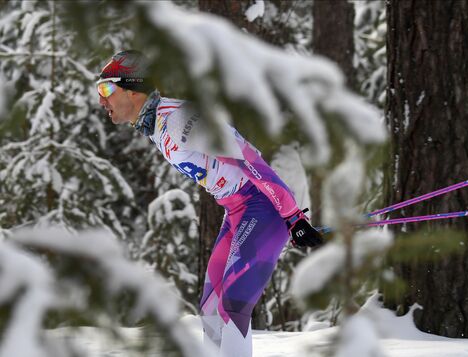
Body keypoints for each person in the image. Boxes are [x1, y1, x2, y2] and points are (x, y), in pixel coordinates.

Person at [96, 50, 323, 357]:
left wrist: (291, 215)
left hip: (261, 205)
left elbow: (248, 159)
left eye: (106, 90)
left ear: (132, 89)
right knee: (212, 308)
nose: (101, 100)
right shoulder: (158, 125)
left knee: (232, 305)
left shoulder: (179, 120)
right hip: (237, 210)